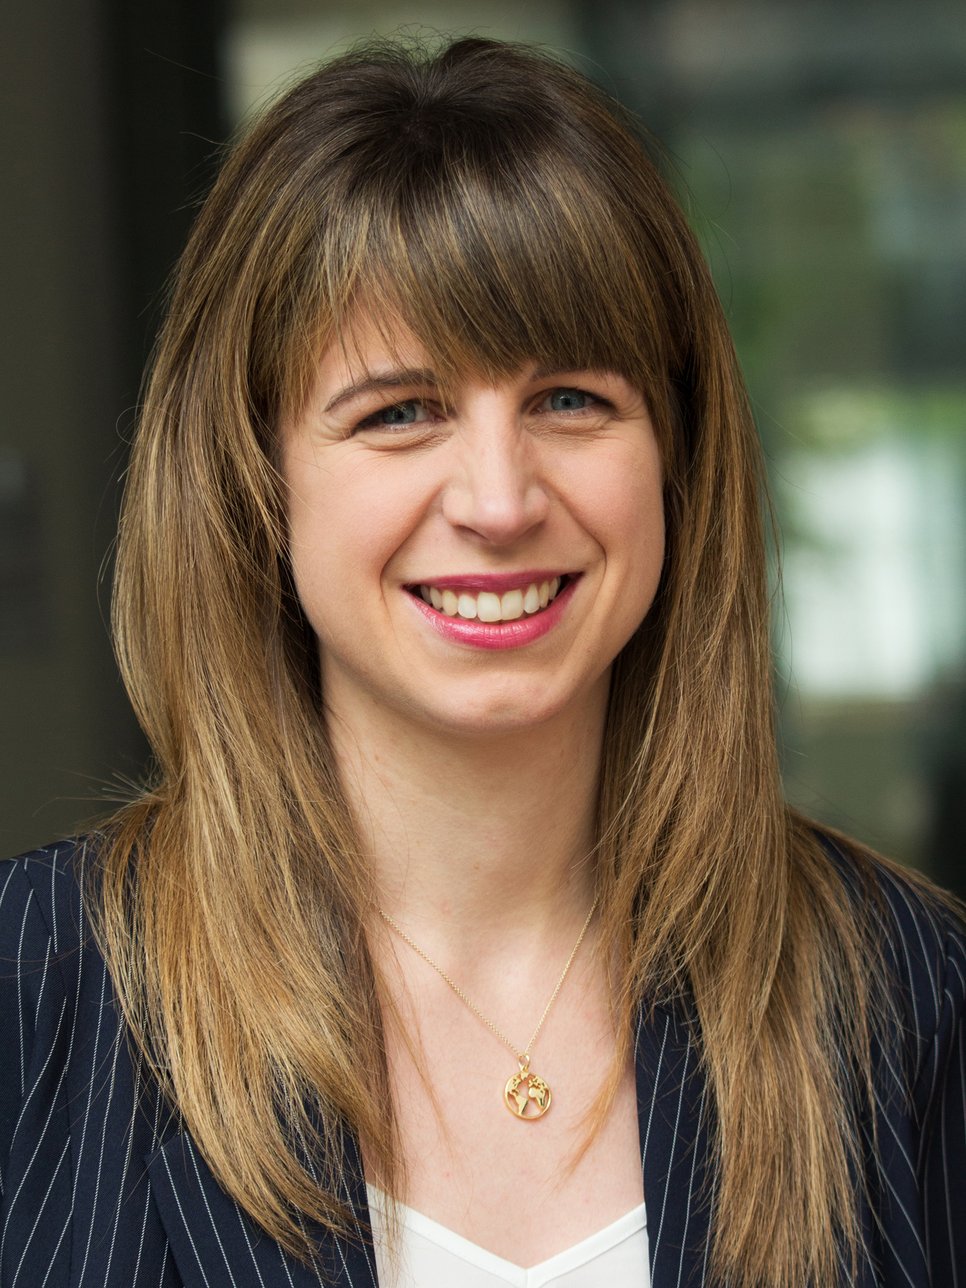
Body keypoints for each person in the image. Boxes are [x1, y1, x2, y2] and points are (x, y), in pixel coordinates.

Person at [1, 35, 963, 1288]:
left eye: (571, 398)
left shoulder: (906, 996)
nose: (501, 500)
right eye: (399, 411)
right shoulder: (34, 994)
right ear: (256, 485)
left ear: (674, 456)